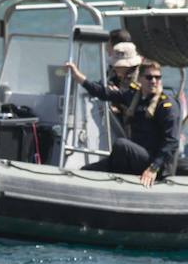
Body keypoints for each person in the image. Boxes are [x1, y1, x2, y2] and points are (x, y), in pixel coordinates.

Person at [64, 58, 180, 188]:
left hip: (155, 164)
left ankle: (119, 184)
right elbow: (103, 92)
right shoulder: (134, 96)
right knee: (86, 171)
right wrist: (78, 77)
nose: (154, 81)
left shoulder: (167, 105)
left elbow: (172, 141)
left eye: (157, 77)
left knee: (121, 145)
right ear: (140, 79)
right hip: (137, 157)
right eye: (149, 77)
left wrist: (153, 168)